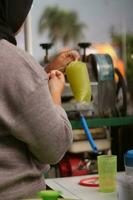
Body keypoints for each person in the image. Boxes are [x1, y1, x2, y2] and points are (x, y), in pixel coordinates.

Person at [0, 0, 79, 199]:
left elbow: (10, 95)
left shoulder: (14, 65)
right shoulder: (11, 60)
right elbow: (54, 147)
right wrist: (54, 94)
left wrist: (42, 74)